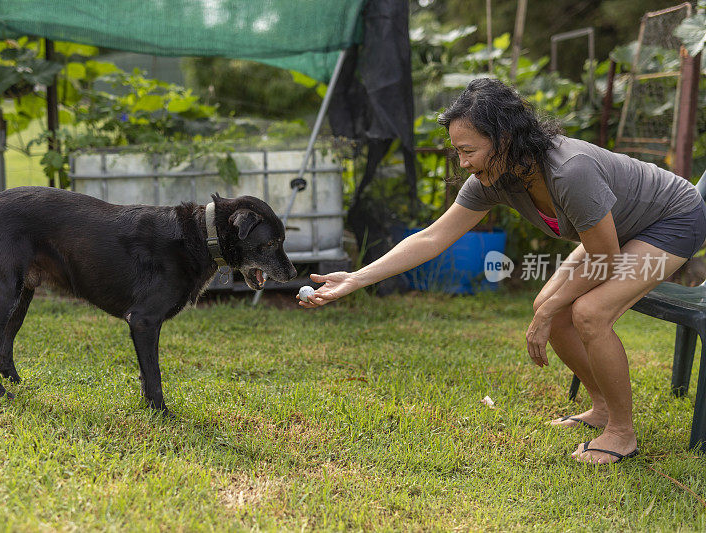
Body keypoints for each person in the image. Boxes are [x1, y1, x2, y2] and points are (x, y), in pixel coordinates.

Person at [298, 78, 706, 465]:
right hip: (619, 234)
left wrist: (550, 311)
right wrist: (356, 277)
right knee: (549, 304)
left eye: (469, 149)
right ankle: (602, 408)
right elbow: (432, 238)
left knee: (588, 312)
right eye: (458, 150)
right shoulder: (495, 177)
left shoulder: (570, 170)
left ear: (505, 140)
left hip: (673, 220)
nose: (462, 161)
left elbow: (605, 257)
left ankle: (622, 432)